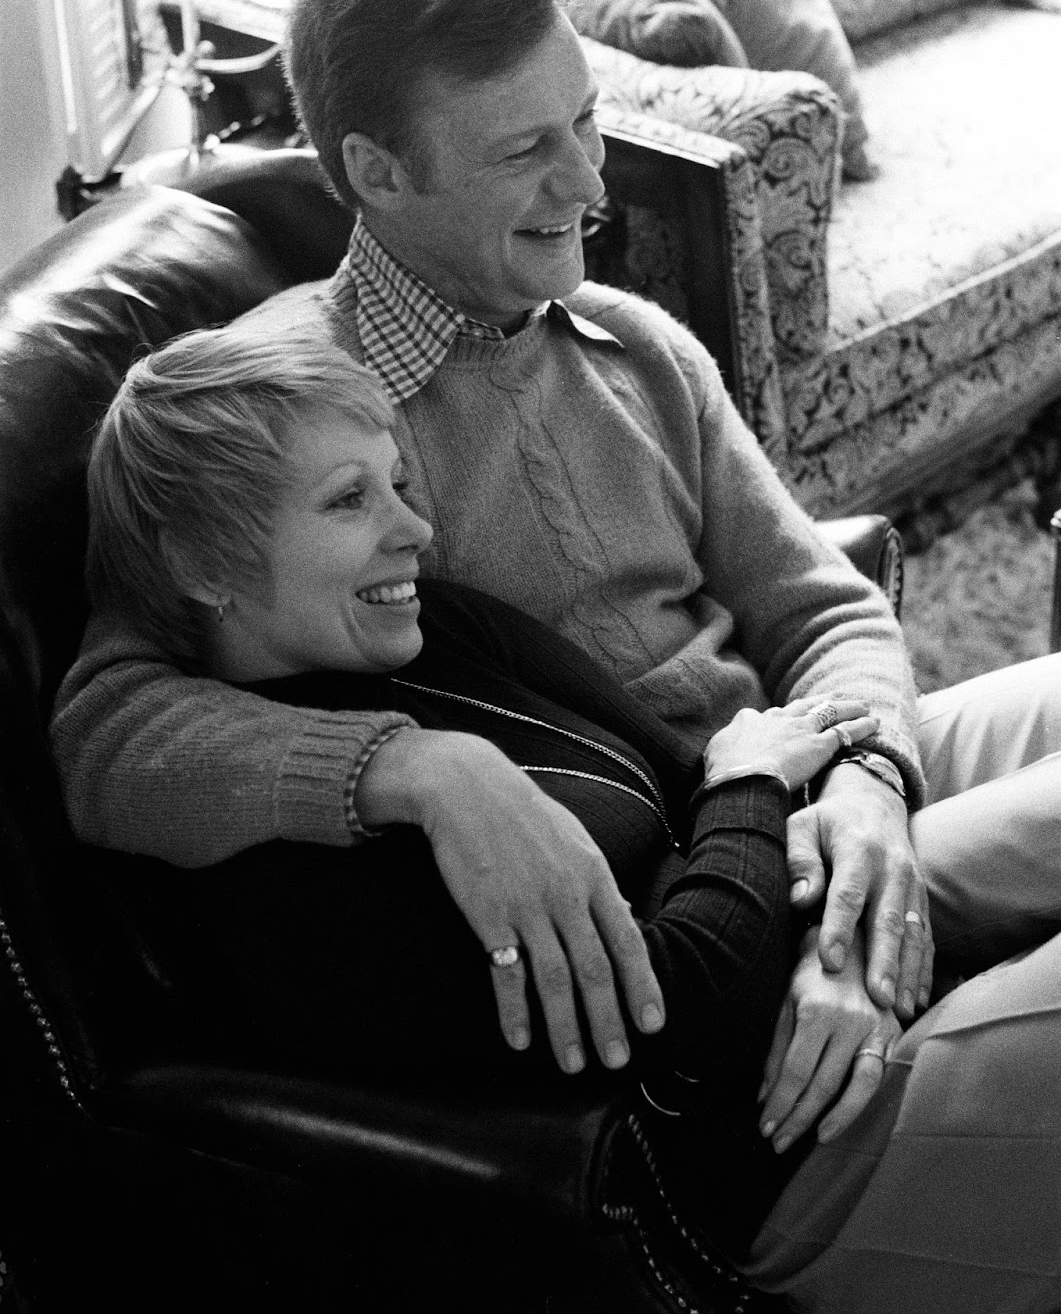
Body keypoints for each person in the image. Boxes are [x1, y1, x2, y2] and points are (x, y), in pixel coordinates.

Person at [50, 0, 1061, 1306]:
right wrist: (413, 767)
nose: (589, 181)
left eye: (582, 123)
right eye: (526, 150)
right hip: (703, 872)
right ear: (374, 172)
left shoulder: (630, 343)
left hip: (802, 783)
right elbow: (107, 727)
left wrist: (875, 778)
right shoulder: (294, 420)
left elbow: (821, 608)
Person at [78, 321, 1061, 1314]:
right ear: (204, 563)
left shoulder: (432, 629)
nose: (412, 529)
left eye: (396, 484)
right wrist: (755, 805)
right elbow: (686, 1003)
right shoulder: (280, 865)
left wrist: (830, 875)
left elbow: (692, 766)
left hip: (789, 934)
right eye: (348, 500)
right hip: (784, 1132)